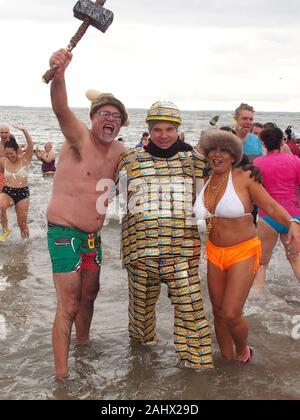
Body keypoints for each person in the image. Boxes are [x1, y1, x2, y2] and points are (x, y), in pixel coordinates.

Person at [46, 48, 128, 379]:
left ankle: (83, 345)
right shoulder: (79, 138)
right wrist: (60, 74)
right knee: (67, 304)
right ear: (93, 117)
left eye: (116, 116)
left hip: (93, 237)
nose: (110, 119)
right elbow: (60, 108)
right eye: (104, 114)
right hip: (64, 232)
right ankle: (62, 378)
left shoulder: (122, 151)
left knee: (89, 296)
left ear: (122, 123)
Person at [116, 101, 213, 369]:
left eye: (169, 129)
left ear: (178, 130)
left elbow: (222, 180)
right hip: (139, 250)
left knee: (192, 309)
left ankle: (197, 370)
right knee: (140, 318)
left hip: (181, 251)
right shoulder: (130, 160)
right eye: (157, 129)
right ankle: (140, 370)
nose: (163, 135)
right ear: (149, 131)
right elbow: (112, 193)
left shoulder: (194, 161)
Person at [193, 129, 300, 362]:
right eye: (213, 150)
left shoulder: (244, 177)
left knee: (231, 313)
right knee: (218, 313)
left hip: (243, 251)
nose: (217, 154)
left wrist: (291, 222)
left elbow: (270, 206)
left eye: (224, 150)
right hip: (214, 252)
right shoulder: (203, 177)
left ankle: (242, 352)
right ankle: (227, 359)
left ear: (234, 156)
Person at [253, 127, 300, 288]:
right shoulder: (295, 161)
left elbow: (254, 192)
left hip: (268, 216)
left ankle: (257, 302)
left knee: (261, 264)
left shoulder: (257, 163)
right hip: (293, 217)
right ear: (282, 141)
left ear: (263, 144)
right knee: (295, 259)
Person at [0, 124, 33, 240]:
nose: (9, 156)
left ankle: (25, 246)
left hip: (22, 194)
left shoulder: (25, 159)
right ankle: (5, 229)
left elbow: (30, 145)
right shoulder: (3, 161)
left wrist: (24, 130)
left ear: (17, 151)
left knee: (22, 224)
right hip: (7, 191)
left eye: (11, 153)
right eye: (7, 154)